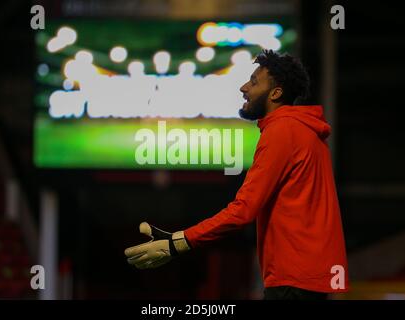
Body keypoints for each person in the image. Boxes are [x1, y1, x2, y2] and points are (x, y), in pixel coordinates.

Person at [124, 49, 349, 300]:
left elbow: (244, 210)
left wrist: (179, 242)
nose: (244, 87)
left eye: (254, 81)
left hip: (292, 279)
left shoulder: (282, 131)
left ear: (276, 93)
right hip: (306, 276)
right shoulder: (304, 130)